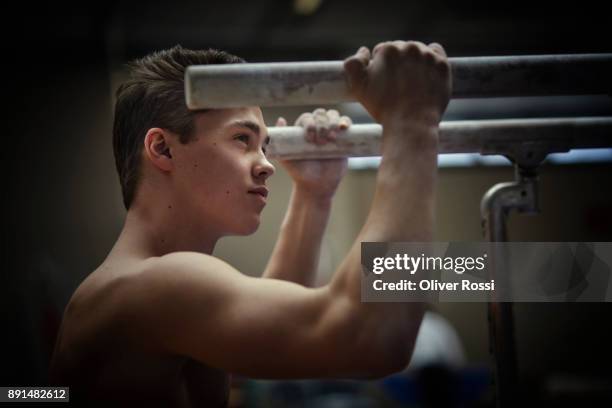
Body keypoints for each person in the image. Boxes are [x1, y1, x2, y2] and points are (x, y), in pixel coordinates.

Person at [49, 41, 452, 406]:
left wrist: (314, 195)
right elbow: (371, 338)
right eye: (242, 139)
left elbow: (272, 342)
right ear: (162, 148)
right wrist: (412, 124)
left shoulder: (153, 286)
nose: (266, 165)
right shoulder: (154, 284)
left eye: (264, 145)